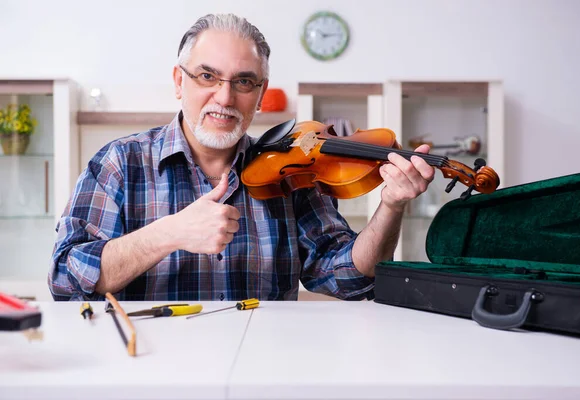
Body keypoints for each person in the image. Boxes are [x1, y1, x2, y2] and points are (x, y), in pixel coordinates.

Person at [48, 13, 434, 302]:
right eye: (206, 76)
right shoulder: (119, 163)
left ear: (261, 93)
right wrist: (169, 233)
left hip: (263, 371)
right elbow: (65, 278)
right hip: (154, 372)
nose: (225, 97)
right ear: (179, 81)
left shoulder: (292, 170)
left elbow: (350, 277)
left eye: (243, 81)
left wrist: (391, 206)